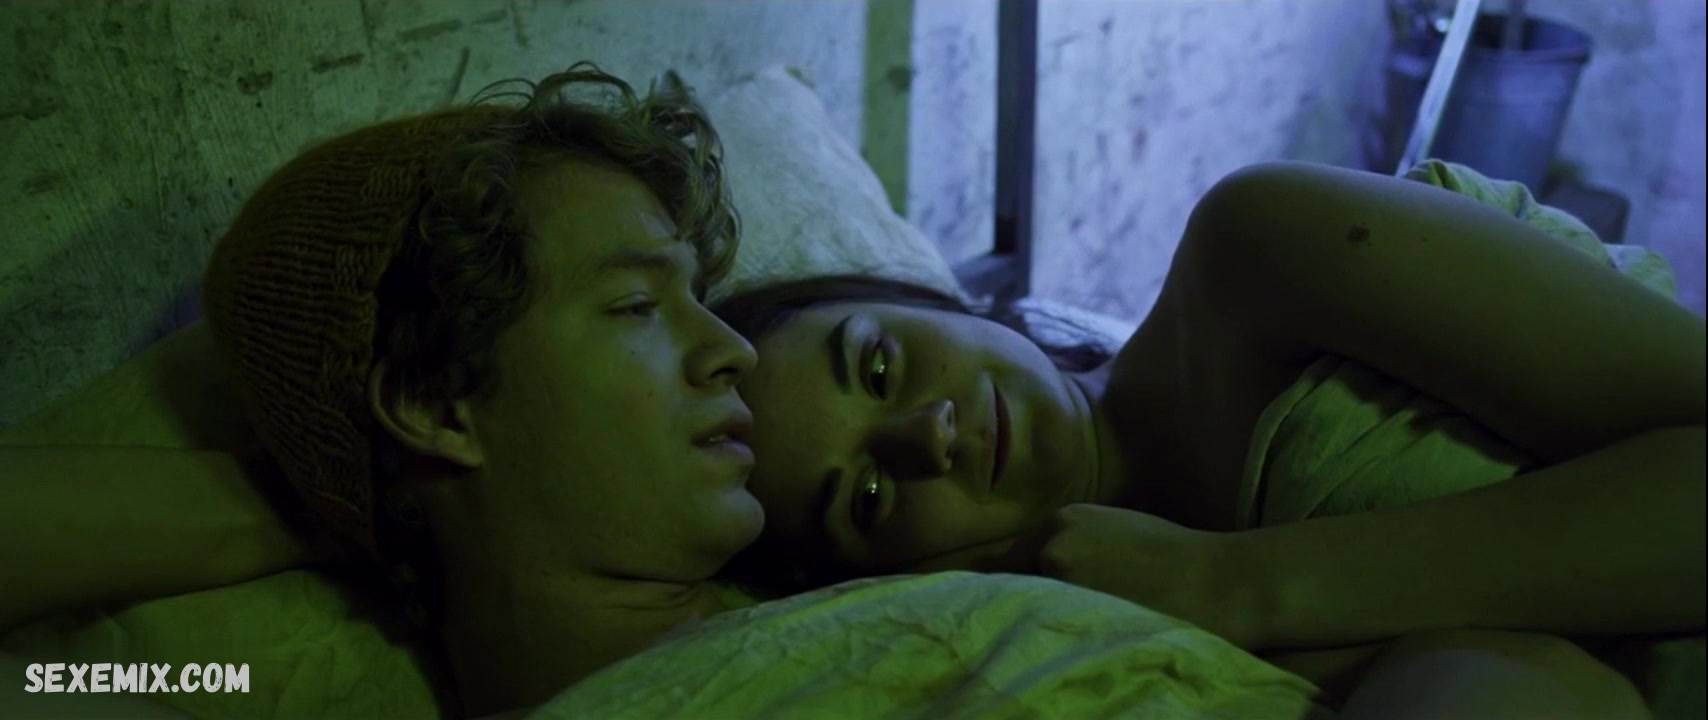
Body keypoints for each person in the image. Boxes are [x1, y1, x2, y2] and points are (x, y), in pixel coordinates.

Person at [712, 161, 1704, 714]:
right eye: (868, 497)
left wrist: (1237, 583)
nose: (927, 435)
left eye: (879, 364)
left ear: (925, 303)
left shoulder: (1256, 253)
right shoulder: (1091, 654)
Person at [1, 63, 761, 717]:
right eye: (635, 305)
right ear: (433, 406)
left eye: (698, 299)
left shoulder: (827, 601)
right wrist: (292, 503)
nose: (734, 350)